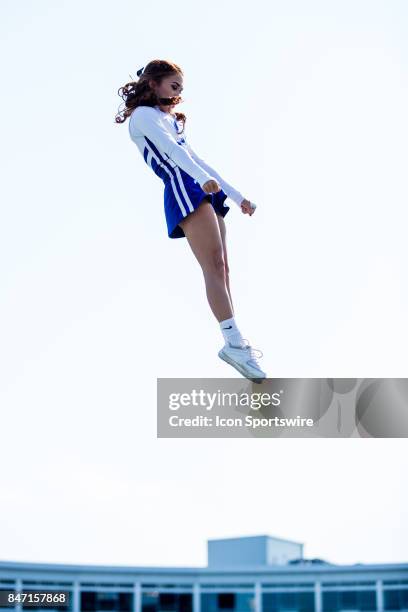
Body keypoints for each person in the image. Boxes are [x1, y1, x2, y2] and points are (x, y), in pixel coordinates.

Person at [115, 59, 266, 382]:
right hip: (184, 187)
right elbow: (172, 153)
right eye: (174, 85)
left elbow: (198, 158)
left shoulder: (168, 119)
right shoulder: (143, 117)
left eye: (181, 88)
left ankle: (235, 343)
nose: (178, 93)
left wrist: (238, 197)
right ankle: (234, 342)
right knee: (212, 264)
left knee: (222, 268)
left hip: (202, 186)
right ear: (153, 83)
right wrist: (200, 178)